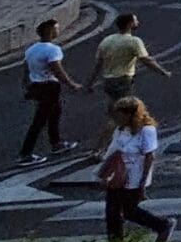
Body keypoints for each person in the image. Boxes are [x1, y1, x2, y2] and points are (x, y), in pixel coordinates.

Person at [83, 13, 172, 152]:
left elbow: (98, 64)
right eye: (135, 20)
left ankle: (125, 142)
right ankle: (100, 149)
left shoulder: (107, 40)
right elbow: (146, 60)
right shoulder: (134, 41)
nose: (138, 22)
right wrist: (162, 72)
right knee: (119, 116)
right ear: (130, 24)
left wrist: (89, 83)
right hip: (123, 81)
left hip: (108, 81)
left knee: (122, 113)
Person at [98, 96, 174, 242]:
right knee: (112, 213)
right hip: (117, 176)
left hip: (133, 177)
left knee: (129, 211)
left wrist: (142, 183)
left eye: (120, 114)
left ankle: (162, 224)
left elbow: (149, 157)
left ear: (130, 114)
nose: (117, 118)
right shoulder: (120, 129)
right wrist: (103, 173)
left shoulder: (146, 131)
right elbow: (113, 151)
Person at [18, 18, 81, 165]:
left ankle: (56, 143)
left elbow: (26, 70)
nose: (58, 31)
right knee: (39, 121)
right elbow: (57, 70)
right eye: (56, 28)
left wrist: (26, 85)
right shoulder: (53, 50)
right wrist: (72, 84)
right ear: (50, 31)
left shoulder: (31, 49)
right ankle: (25, 154)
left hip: (37, 86)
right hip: (49, 87)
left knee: (55, 113)